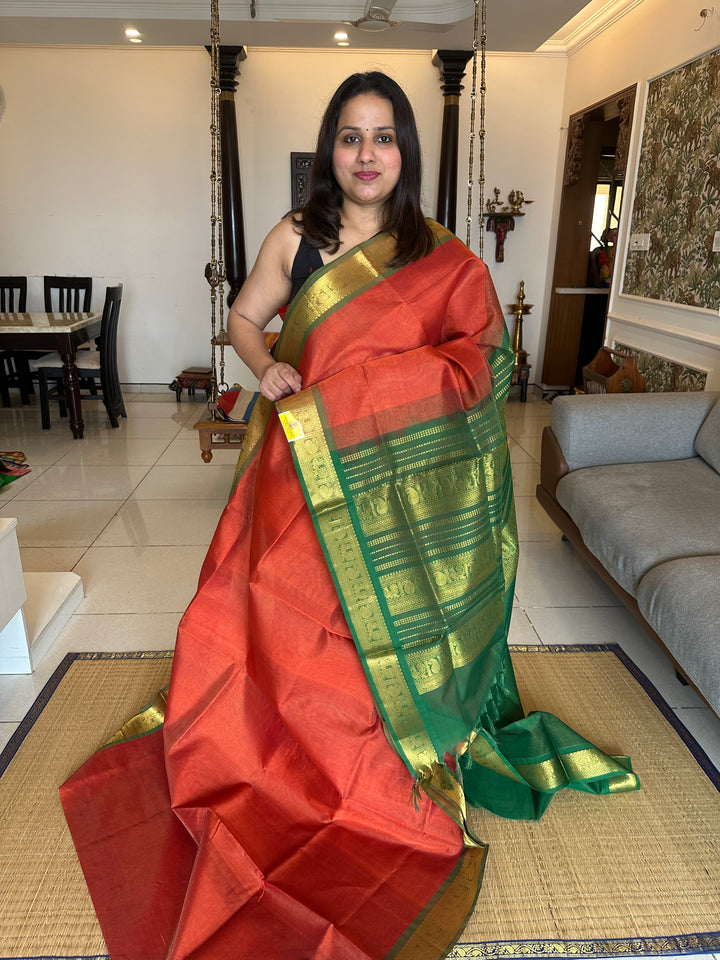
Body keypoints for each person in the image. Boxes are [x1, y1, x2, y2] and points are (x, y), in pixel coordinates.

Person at [61, 72, 639, 960]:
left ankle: (380, 756)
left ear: (406, 150)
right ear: (330, 148)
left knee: (381, 630)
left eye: (383, 137)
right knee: (293, 618)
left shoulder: (441, 256)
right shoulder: (298, 236)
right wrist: (268, 369)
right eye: (350, 137)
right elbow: (247, 321)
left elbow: (482, 356)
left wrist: (378, 392)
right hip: (301, 470)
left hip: (400, 492)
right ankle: (291, 756)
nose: (367, 155)